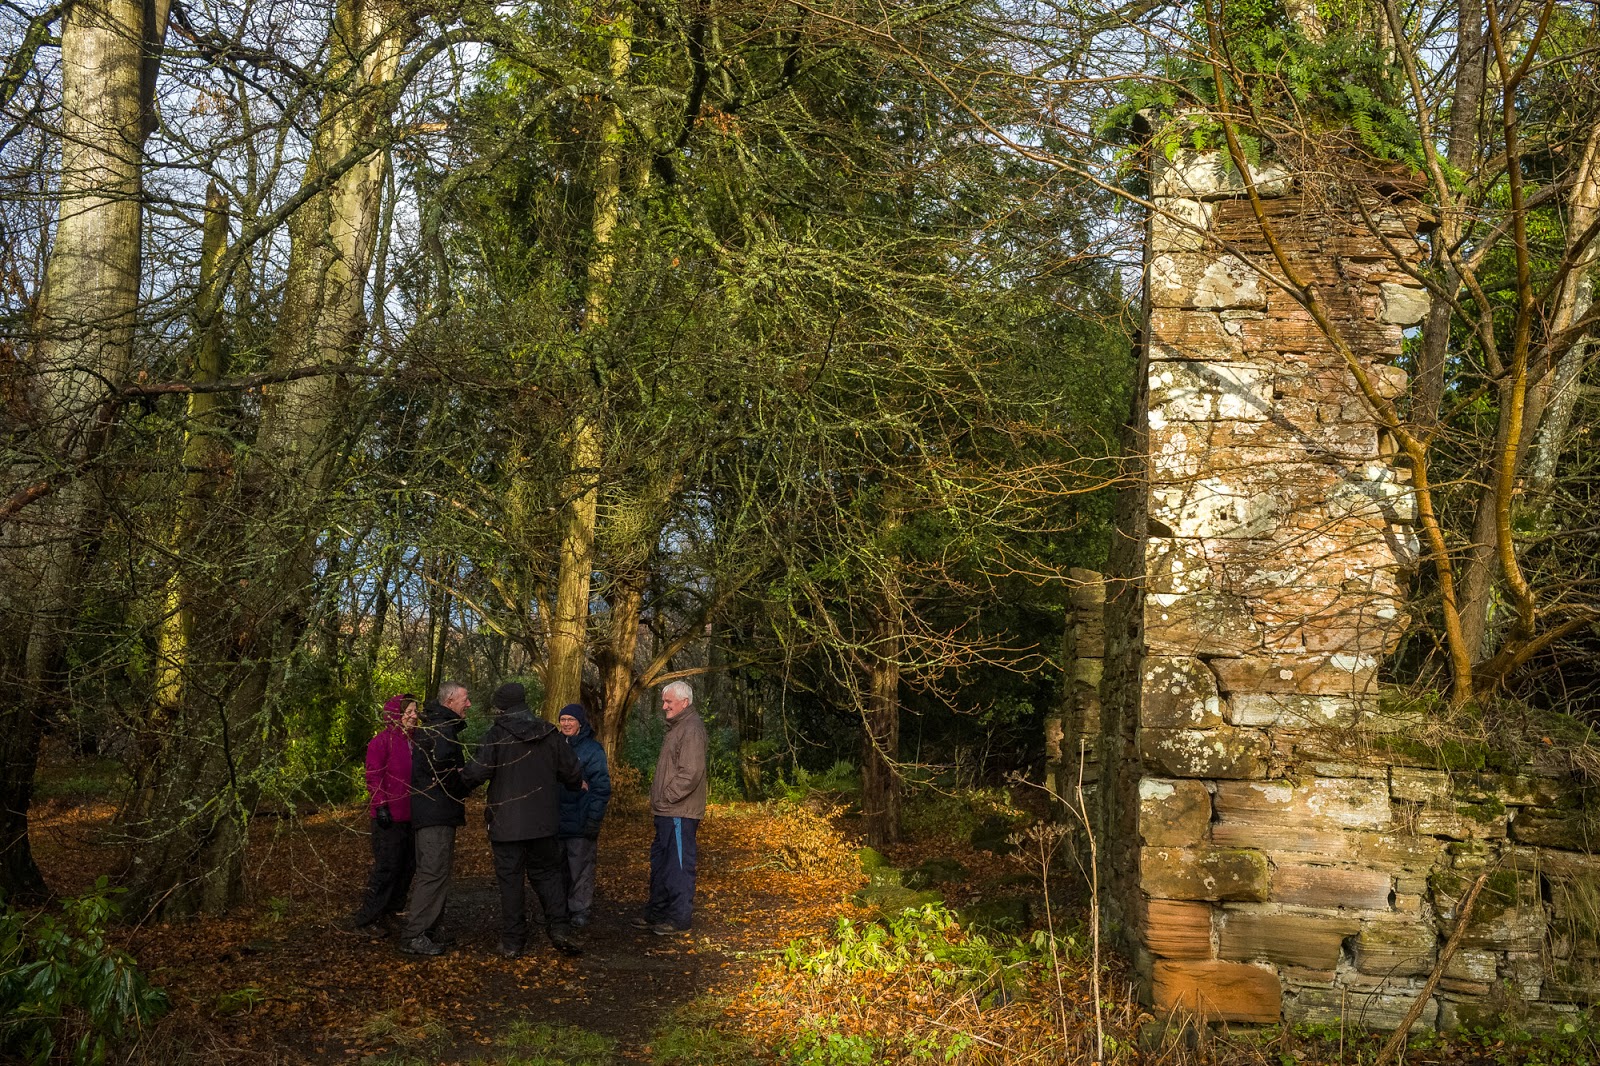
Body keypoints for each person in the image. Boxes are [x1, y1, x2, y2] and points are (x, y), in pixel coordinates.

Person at [462, 682, 585, 958]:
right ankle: (560, 928)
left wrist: (456, 785)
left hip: (506, 824)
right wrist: (574, 785)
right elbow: (572, 771)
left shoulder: (496, 736)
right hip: (543, 822)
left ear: (501, 706)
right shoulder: (550, 733)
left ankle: (513, 941)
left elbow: (476, 773)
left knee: (511, 880)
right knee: (548, 875)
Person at [398, 681, 473, 956]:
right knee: (433, 873)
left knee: (437, 873)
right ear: (450, 700)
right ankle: (415, 934)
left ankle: (427, 930)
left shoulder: (439, 728)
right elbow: (444, 774)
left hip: (434, 812)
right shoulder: (442, 731)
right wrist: (467, 779)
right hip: (434, 813)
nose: (469, 704)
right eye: (465, 698)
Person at [634, 680, 707, 937]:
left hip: (679, 812)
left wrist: (666, 797)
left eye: (668, 702)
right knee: (661, 865)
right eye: (664, 701)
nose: (664, 706)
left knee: (678, 866)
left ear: (684, 703)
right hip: (668, 812)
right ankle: (658, 913)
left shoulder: (691, 729)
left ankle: (678, 919)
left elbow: (691, 772)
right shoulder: (677, 727)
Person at [350, 694, 419, 931]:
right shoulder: (381, 742)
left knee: (407, 866)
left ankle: (391, 910)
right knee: (387, 867)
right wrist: (380, 806)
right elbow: (374, 776)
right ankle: (368, 917)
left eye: (415, 711)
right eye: (408, 711)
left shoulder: (416, 741)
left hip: (412, 816)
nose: (413, 716)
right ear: (395, 715)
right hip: (389, 818)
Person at [555, 703, 611, 929]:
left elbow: (601, 788)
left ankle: (579, 909)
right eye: (563, 719)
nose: (566, 724)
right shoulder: (555, 746)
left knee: (581, 867)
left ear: (580, 722)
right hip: (556, 820)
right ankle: (558, 910)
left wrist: (593, 820)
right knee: (557, 868)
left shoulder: (593, 750)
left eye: (571, 720)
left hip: (580, 818)